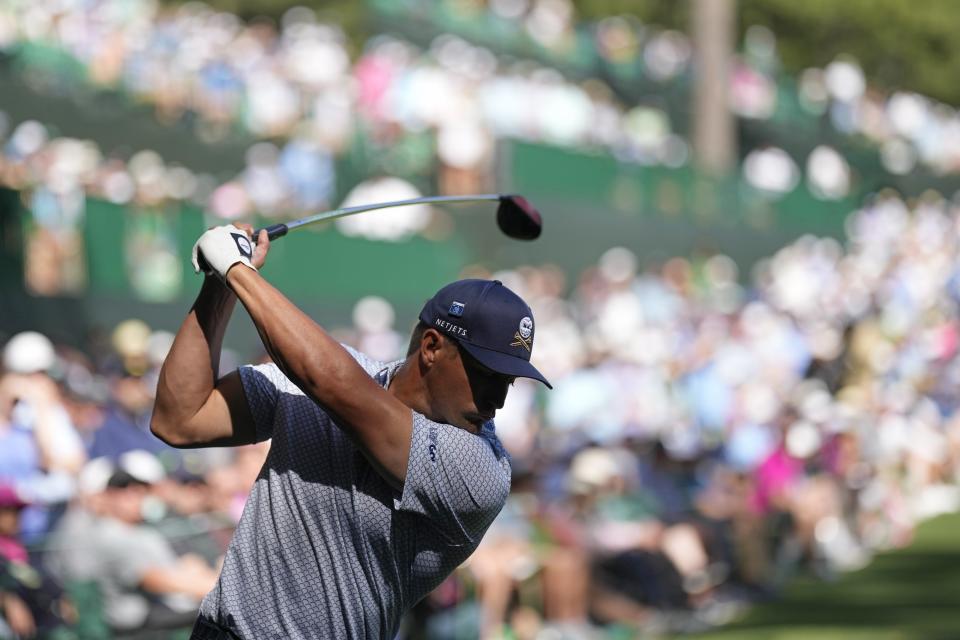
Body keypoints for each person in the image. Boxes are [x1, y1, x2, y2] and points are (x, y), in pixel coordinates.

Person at [150, 223, 551, 639]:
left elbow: (337, 386)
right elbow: (179, 419)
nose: (498, 400)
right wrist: (220, 286)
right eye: (487, 375)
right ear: (431, 347)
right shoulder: (325, 375)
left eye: (509, 382)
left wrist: (237, 269)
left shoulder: (483, 468)